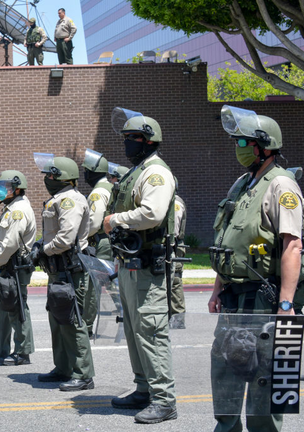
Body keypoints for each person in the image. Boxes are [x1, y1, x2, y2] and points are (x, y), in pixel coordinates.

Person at [208, 106, 304, 432]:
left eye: (241, 142)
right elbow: (229, 240)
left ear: (264, 146)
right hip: (235, 299)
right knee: (224, 371)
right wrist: (217, 289)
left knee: (268, 379)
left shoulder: (281, 184)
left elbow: (292, 245)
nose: (236, 148)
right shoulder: (242, 183)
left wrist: (286, 304)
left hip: (267, 300)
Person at [103, 109, 177, 423]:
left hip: (149, 268)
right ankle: (144, 389)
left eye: (132, 138)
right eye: (125, 138)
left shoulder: (155, 172)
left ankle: (164, 399)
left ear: (148, 140)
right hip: (131, 264)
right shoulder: (139, 171)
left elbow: (153, 213)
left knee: (151, 331)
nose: (127, 144)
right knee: (134, 331)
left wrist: (115, 220)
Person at [29, 153, 95, 392]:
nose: (46, 178)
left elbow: (66, 238)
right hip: (58, 271)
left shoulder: (70, 200)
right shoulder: (58, 198)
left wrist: (43, 250)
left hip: (70, 269)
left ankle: (83, 374)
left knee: (73, 321)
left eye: (50, 174)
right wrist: (42, 247)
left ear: (61, 177)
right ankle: (63, 368)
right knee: (58, 319)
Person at [0, 170, 36, 365]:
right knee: (2, 305)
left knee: (17, 307)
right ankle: (0, 348)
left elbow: (11, 243)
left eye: (4, 186)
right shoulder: (12, 207)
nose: (0, 190)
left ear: (17, 189)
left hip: (15, 266)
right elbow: (1, 241)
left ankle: (23, 352)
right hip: (8, 265)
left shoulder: (18, 210)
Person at [81, 149, 113, 337]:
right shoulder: (110, 187)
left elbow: (93, 223)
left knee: (92, 286)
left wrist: (81, 238)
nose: (84, 174)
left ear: (93, 171)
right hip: (110, 242)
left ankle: (87, 325)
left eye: (86, 171)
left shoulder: (97, 193)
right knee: (112, 283)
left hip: (100, 243)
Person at [170, 194, 187, 329]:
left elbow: (173, 231)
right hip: (170, 247)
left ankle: (178, 318)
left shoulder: (175, 202)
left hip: (174, 247)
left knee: (175, 281)